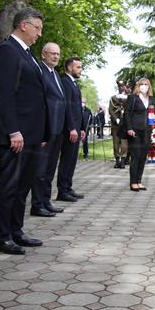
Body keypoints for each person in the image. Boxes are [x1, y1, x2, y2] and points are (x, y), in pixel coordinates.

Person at [0, 8, 50, 255]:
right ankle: (2, 235)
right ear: (23, 26)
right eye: (37, 28)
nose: (39, 34)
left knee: (23, 185)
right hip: (18, 135)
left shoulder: (28, 55)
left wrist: (43, 133)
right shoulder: (8, 51)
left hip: (32, 135)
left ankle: (16, 229)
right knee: (9, 185)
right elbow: (4, 95)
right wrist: (13, 130)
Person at [29, 42, 67, 218]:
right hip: (46, 127)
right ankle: (37, 204)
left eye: (58, 54)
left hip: (57, 128)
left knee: (50, 167)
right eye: (52, 53)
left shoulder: (56, 75)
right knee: (40, 169)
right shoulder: (40, 71)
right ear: (43, 54)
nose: (55, 57)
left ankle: (45, 200)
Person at [57, 57, 87, 202]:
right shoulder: (65, 82)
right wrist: (71, 128)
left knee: (72, 160)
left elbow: (78, 109)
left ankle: (68, 187)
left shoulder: (74, 84)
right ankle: (62, 191)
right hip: (69, 130)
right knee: (66, 160)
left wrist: (81, 127)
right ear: (70, 67)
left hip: (76, 128)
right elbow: (67, 107)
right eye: (78, 67)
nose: (81, 70)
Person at [121, 78, 155, 190]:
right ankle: (133, 182)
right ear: (138, 86)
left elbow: (152, 113)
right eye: (142, 84)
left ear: (149, 86)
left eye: (146, 84)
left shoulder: (151, 99)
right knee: (135, 156)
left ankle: (139, 180)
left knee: (142, 157)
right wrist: (129, 128)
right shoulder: (132, 98)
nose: (144, 86)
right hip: (134, 131)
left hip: (146, 131)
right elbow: (127, 114)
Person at [109, 80, 130, 168]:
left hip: (125, 124)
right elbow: (110, 110)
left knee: (124, 142)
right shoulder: (113, 98)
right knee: (116, 142)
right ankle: (117, 160)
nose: (121, 88)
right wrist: (116, 119)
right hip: (116, 124)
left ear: (125, 87)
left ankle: (123, 160)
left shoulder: (128, 97)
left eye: (123, 86)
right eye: (119, 86)